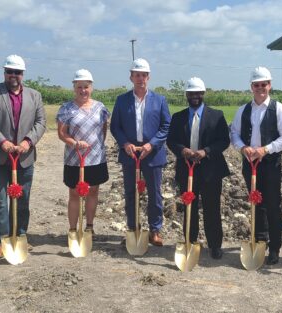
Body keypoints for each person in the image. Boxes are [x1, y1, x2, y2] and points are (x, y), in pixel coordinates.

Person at [0, 54, 46, 259]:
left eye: (17, 72)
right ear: (4, 72)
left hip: (24, 156)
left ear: (22, 74)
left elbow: (41, 122)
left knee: (22, 197)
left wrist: (28, 141)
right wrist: (2, 142)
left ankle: (20, 235)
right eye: (9, 71)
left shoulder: (35, 95)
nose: (13, 75)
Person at [230, 66, 282, 265]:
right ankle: (259, 241)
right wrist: (243, 148)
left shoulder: (279, 109)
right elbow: (234, 133)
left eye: (263, 84)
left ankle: (275, 247)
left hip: (270, 164)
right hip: (250, 164)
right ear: (251, 87)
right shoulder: (243, 110)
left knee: (273, 205)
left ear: (270, 85)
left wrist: (265, 149)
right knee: (256, 203)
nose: (260, 88)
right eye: (256, 85)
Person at [167, 77, 230, 259]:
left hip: (211, 170)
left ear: (203, 94)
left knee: (212, 208)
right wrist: (182, 150)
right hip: (186, 169)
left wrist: (206, 151)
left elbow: (224, 141)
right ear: (186, 94)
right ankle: (190, 241)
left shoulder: (216, 115)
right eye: (191, 93)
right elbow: (171, 140)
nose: (195, 96)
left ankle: (215, 245)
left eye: (198, 93)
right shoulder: (178, 117)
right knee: (189, 208)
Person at [110, 58, 171, 246]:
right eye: (137, 75)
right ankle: (132, 228)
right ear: (131, 77)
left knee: (155, 193)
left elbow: (166, 125)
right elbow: (115, 126)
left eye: (143, 75)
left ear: (149, 77)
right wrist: (125, 143)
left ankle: (155, 230)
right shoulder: (122, 100)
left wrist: (151, 144)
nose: (140, 78)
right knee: (130, 192)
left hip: (151, 154)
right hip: (130, 154)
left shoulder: (159, 100)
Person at [56, 69, 110, 233]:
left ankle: (89, 227)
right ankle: (73, 229)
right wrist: (74, 143)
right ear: (74, 88)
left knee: (93, 191)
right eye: (79, 87)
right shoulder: (66, 109)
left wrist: (97, 146)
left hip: (96, 158)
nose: (83, 90)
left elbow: (103, 130)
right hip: (74, 158)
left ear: (91, 87)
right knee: (74, 193)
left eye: (86, 86)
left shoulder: (100, 108)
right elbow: (61, 133)